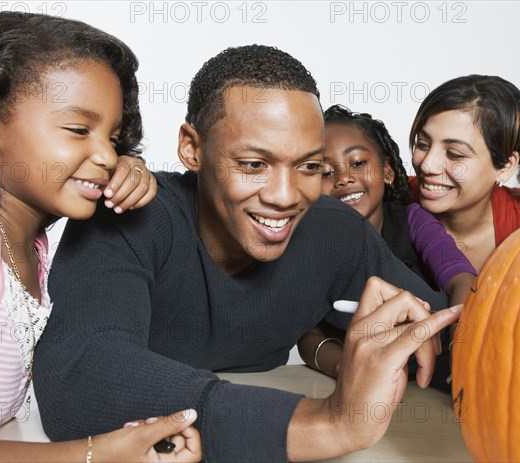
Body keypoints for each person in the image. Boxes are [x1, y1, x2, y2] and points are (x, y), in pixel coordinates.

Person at [34, 44, 461, 462]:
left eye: (310, 167)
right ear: (192, 148)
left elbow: (459, 340)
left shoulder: (335, 232)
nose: (285, 196)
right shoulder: (131, 216)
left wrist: (432, 343)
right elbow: (80, 375)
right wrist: (324, 423)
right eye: (254, 165)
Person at [0, 12, 201, 463]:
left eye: (114, 138)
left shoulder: (33, 244)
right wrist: (90, 455)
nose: (107, 155)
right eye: (79, 129)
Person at [298, 105, 476, 387]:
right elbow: (310, 336)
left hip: (447, 357)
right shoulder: (314, 249)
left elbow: (462, 279)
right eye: (325, 172)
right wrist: (345, 366)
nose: (344, 178)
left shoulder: (413, 220)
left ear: (388, 171)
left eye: (358, 163)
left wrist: (464, 347)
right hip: (385, 379)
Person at [409, 74, 520, 273]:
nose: (428, 165)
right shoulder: (386, 200)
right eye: (422, 144)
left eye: (454, 154)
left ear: (506, 166)